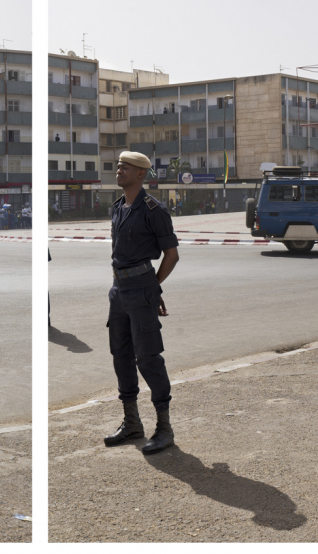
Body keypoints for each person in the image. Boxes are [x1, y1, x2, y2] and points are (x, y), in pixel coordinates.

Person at [103, 151, 179, 454]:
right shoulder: (118, 207)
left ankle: (164, 427)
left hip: (140, 288)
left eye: (126, 167)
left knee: (148, 358)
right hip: (118, 290)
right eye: (119, 166)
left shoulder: (154, 210)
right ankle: (132, 422)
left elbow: (171, 255)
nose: (119, 170)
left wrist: (152, 289)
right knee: (121, 355)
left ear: (141, 175)